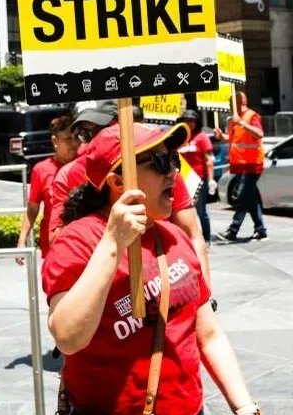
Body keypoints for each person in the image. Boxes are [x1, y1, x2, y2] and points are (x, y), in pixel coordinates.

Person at [44, 122, 263, 415]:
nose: (173, 171)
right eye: (161, 163)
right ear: (118, 181)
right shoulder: (78, 242)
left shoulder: (174, 237)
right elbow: (67, 338)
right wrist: (113, 244)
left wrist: (245, 411)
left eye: (174, 160)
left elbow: (208, 335)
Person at [48, 100, 213, 289]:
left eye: (102, 127)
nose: (95, 137)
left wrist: (205, 292)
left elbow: (191, 233)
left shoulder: (165, 171)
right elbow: (59, 244)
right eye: (84, 134)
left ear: (124, 123)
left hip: (166, 279)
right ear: (115, 181)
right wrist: (108, 239)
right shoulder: (68, 175)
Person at [16, 112, 78, 265]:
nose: (73, 143)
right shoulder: (41, 170)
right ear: (55, 141)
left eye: (75, 138)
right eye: (67, 139)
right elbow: (32, 210)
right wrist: (22, 240)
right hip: (53, 244)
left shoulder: (84, 163)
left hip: (80, 242)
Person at [216, 92, 267, 242]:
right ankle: (261, 230)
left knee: (243, 197)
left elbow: (259, 134)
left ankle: (233, 230)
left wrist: (242, 123)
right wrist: (221, 137)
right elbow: (233, 140)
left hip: (252, 163)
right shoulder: (233, 119)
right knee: (251, 198)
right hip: (240, 164)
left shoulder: (252, 116)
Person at [177, 109, 216, 244]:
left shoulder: (201, 137)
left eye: (192, 121)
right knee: (183, 211)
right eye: (186, 120)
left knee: (201, 211)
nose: (189, 123)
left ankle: (207, 238)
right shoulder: (179, 138)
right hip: (183, 181)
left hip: (199, 181)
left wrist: (211, 180)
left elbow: (208, 160)